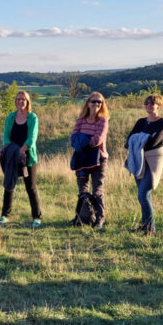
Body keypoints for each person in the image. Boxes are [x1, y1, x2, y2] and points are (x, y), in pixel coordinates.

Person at [125, 94, 163, 234]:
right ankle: (146, 226)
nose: (149, 105)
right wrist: (140, 140)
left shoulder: (162, 122)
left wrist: (138, 140)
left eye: (152, 103)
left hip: (154, 158)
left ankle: (151, 229)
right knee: (144, 195)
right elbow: (129, 140)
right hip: (139, 158)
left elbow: (154, 142)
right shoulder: (140, 122)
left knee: (143, 193)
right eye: (146, 103)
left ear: (159, 106)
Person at [0, 91, 42, 228]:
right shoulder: (10, 117)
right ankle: (5, 215)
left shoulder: (32, 117)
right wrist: (12, 150)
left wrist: (22, 150)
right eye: (18, 99)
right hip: (11, 155)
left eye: (23, 99)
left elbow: (32, 137)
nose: (20, 101)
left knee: (31, 187)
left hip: (28, 157)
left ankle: (37, 217)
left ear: (28, 102)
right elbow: (6, 136)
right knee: (9, 184)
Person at [72, 92, 109, 229]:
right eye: (93, 101)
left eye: (99, 102)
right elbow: (72, 138)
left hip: (99, 159)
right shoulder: (81, 119)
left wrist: (82, 141)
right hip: (81, 159)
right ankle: (82, 217)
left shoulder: (103, 120)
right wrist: (83, 140)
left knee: (97, 190)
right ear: (87, 103)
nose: (96, 104)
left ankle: (99, 219)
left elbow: (98, 139)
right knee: (83, 189)